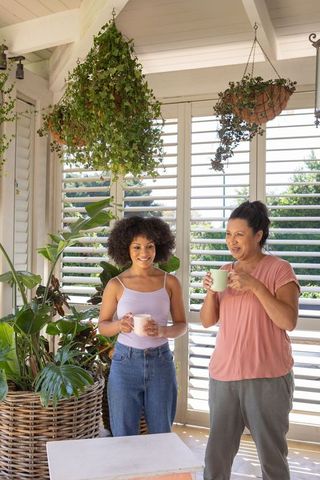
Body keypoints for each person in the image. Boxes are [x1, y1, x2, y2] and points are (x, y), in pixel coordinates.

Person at [200, 200, 300, 480]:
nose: (232, 241)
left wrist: (255, 286)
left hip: (267, 377)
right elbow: (208, 321)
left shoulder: (280, 270)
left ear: (258, 236)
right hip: (224, 376)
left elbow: (287, 321)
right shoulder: (225, 269)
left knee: (272, 456)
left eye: (239, 234)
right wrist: (209, 292)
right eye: (229, 234)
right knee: (216, 456)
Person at [98, 216, 187, 437]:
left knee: (161, 435)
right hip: (124, 364)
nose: (144, 253)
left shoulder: (170, 282)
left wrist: (163, 331)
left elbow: (182, 325)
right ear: (125, 248)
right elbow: (103, 326)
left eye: (150, 246)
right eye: (136, 247)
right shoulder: (116, 284)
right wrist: (120, 325)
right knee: (123, 436)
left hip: (161, 363)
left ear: (159, 247)